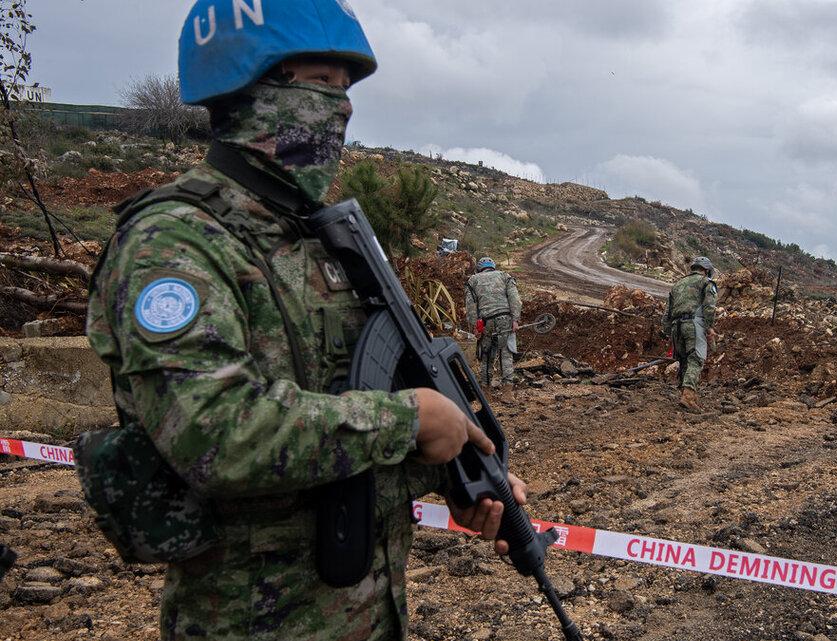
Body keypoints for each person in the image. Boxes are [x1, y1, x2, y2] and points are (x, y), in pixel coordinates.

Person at [83, 3, 525, 639]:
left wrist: (456, 473)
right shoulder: (173, 243)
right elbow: (214, 434)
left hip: (366, 613)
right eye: (322, 84)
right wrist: (409, 420)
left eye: (346, 91)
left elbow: (339, 409)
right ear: (249, 89)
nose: (341, 109)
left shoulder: (316, 241)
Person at [464, 257, 522, 403]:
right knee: (506, 354)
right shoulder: (505, 276)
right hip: (505, 319)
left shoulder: (473, 280)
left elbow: (471, 307)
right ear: (493, 267)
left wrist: (475, 328)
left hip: (486, 321)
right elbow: (515, 299)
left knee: (486, 356)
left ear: (479, 269)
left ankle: (486, 394)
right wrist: (515, 319)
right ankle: (507, 394)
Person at [664, 257, 718, 410]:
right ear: (706, 270)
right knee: (695, 359)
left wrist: (668, 332)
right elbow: (709, 307)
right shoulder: (707, 283)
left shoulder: (677, 284)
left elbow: (667, 312)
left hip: (676, 327)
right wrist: (709, 327)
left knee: (683, 360)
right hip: (694, 324)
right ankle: (688, 396)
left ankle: (687, 396)